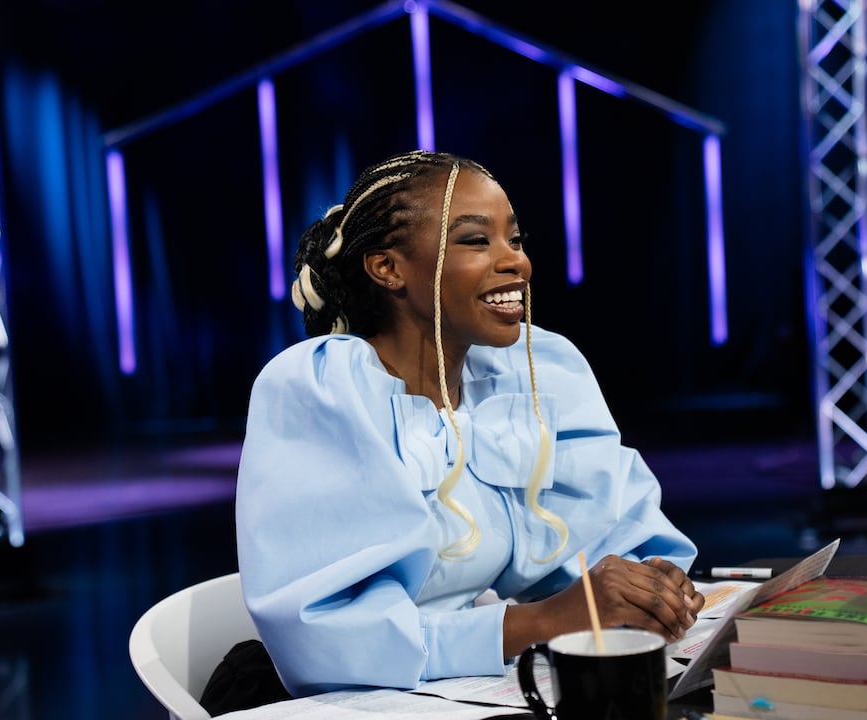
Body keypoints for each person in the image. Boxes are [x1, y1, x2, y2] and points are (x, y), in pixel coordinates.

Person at [233, 149, 704, 700]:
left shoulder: (526, 370)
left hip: (464, 691)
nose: (516, 263)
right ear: (388, 268)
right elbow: (330, 645)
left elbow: (605, 540)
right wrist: (546, 620)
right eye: (477, 241)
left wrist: (648, 583)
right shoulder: (324, 388)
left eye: (516, 240)